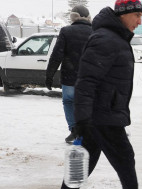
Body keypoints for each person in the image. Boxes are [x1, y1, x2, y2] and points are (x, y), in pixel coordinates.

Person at [51, 0, 142, 189]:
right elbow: (86, 81)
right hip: (102, 115)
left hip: (103, 112)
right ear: (123, 14)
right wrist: (82, 118)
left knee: (87, 161)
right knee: (124, 157)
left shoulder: (113, 38)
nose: (139, 22)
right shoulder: (105, 39)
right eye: (137, 16)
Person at [46, 5, 93, 144]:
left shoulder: (66, 31)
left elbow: (56, 55)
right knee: (86, 104)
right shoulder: (94, 32)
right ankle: (85, 130)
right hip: (88, 77)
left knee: (68, 101)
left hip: (69, 78)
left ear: (73, 17)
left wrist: (49, 75)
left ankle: (74, 129)